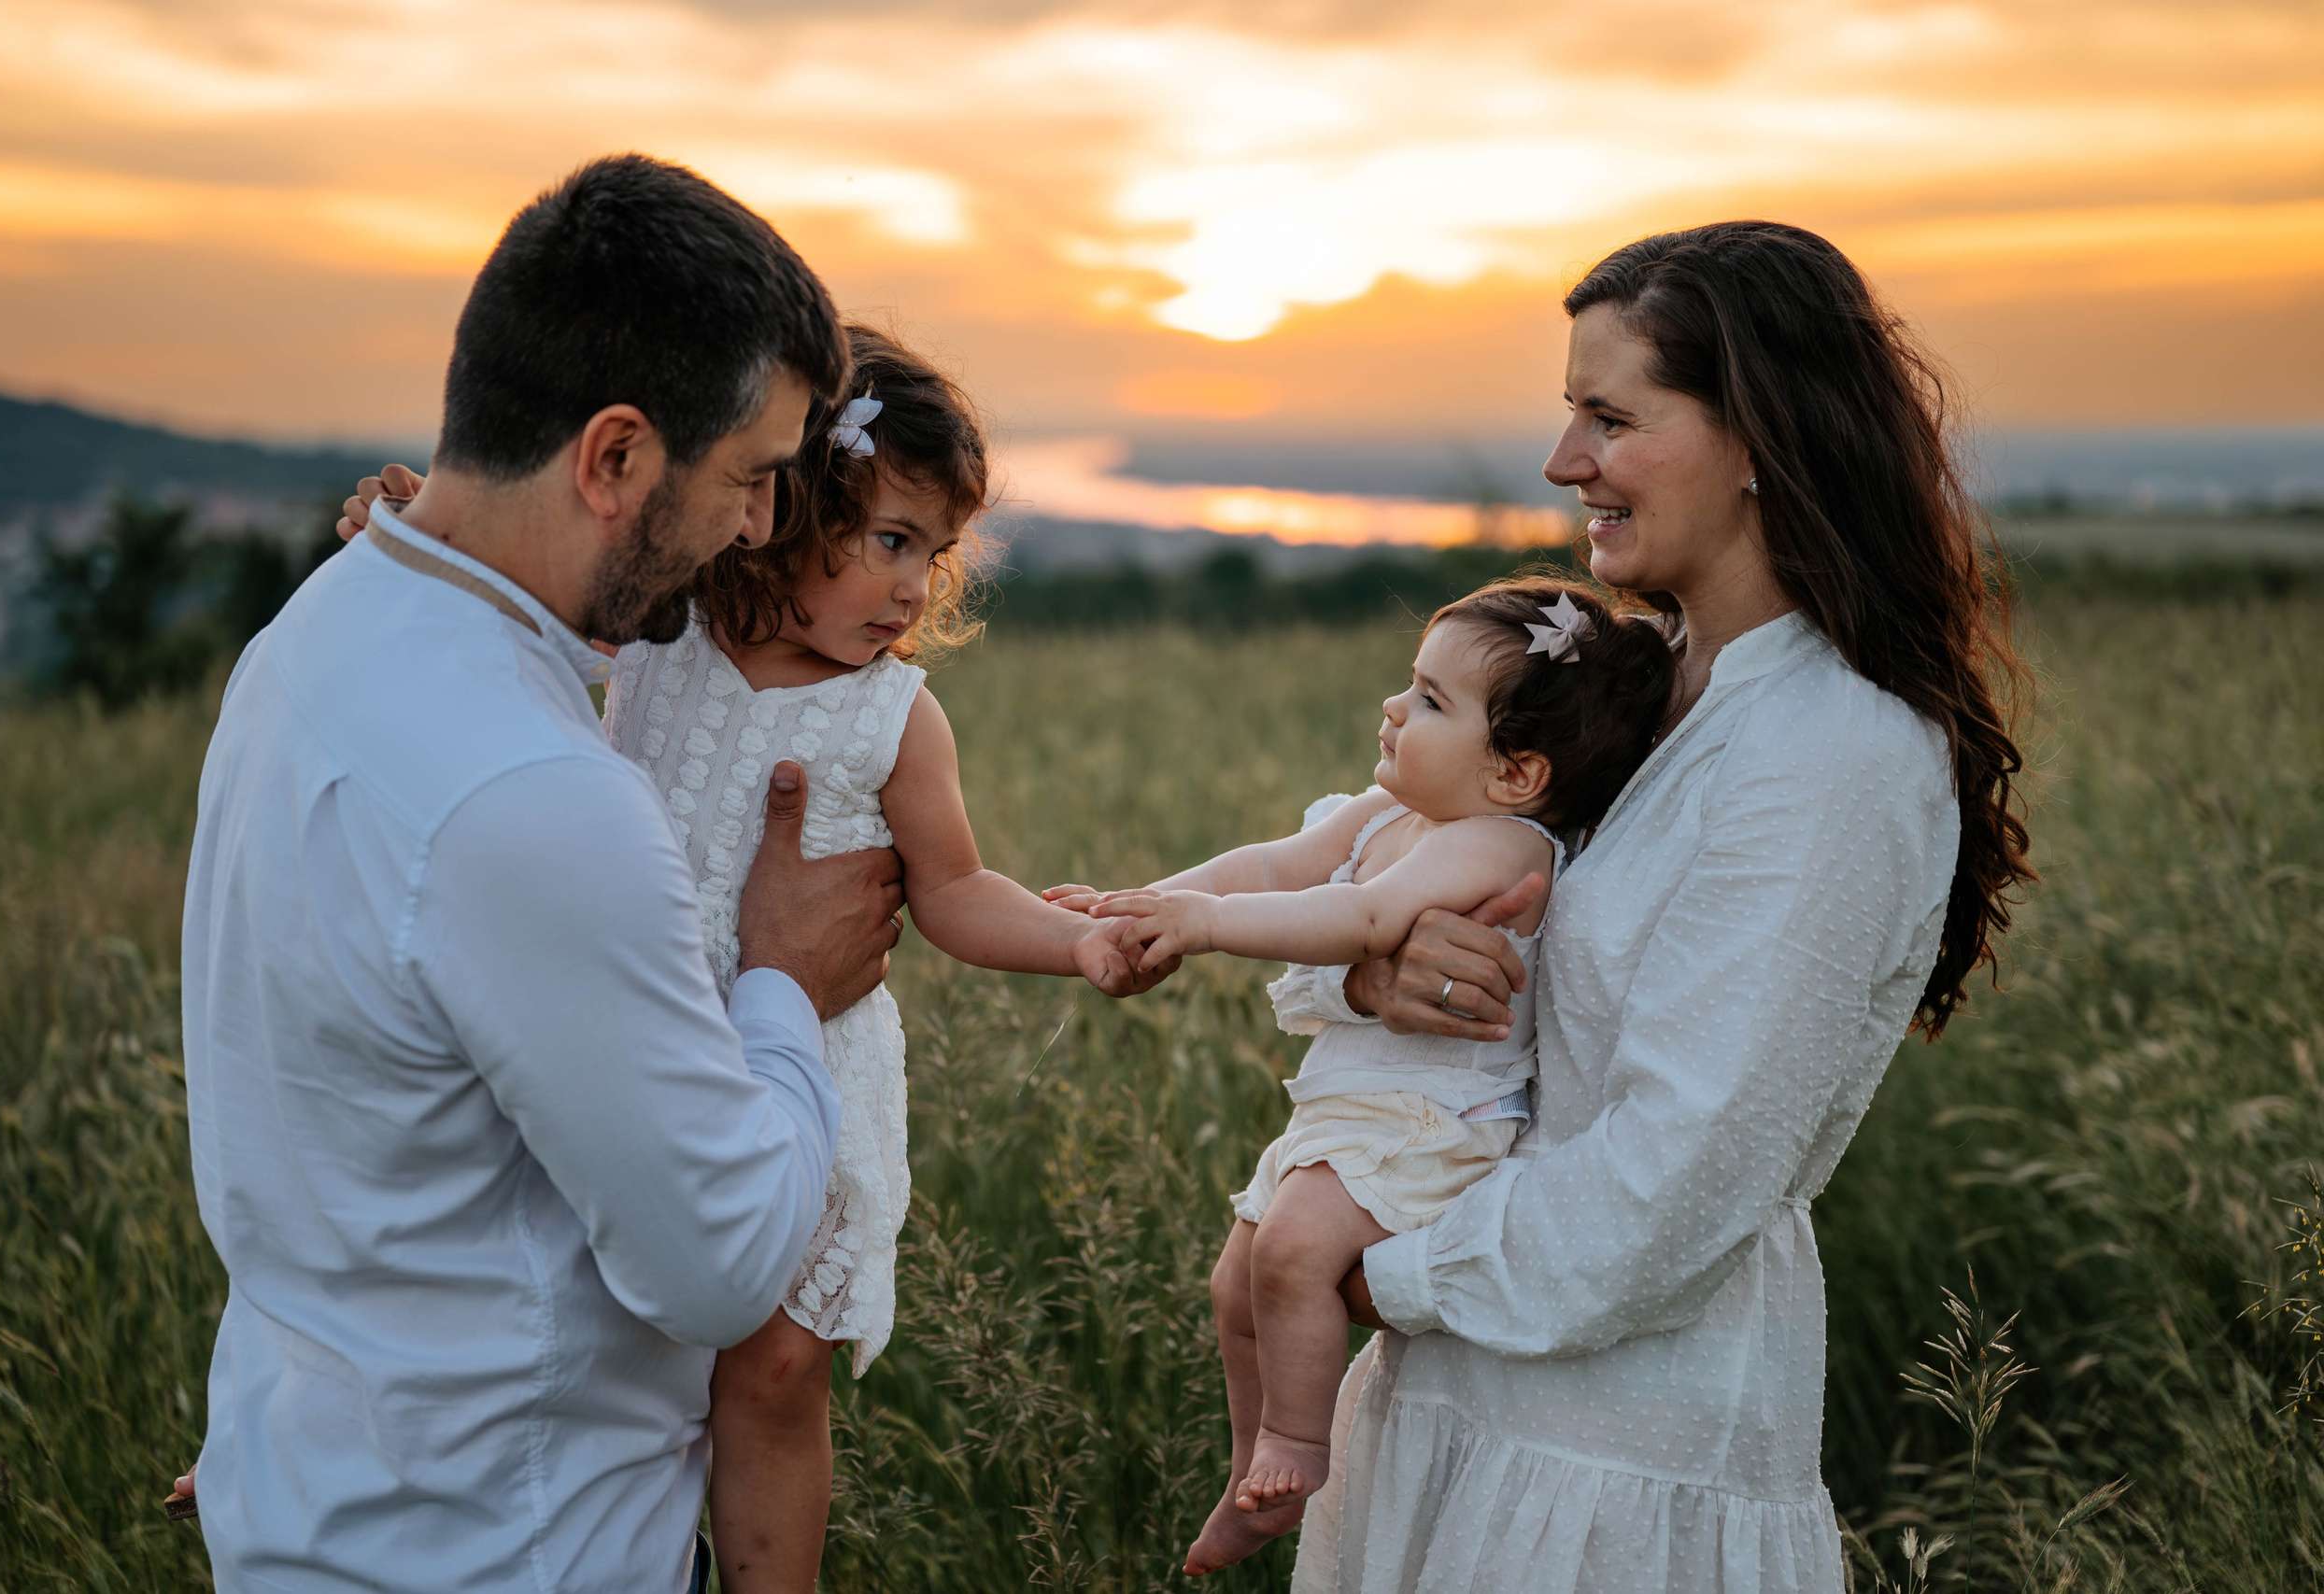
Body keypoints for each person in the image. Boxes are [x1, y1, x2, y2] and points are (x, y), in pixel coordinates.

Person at [337, 323, 1171, 1593]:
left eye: (934, 554)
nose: (912, 588)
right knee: (592, 1327)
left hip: (815, 1067)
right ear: (785, 508)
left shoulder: (895, 716)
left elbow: (955, 891)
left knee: (774, 1367)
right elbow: (506, 614)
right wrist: (413, 543)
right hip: (631, 1038)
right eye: (888, 540)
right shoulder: (655, 635)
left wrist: (1083, 942)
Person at [177, 154, 900, 1594]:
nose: (764, 525)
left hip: (313, 1503)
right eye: (750, 475)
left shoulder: (309, 639)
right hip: (510, 1545)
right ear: (614, 456)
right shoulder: (534, 791)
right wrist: (781, 984)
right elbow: (720, 1263)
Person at [1289, 221, 2033, 1592]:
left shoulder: (1833, 752)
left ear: (1756, 437)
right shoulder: (1628, 687)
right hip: (1454, 1406)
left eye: (1611, 418)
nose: (1563, 460)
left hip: (1614, 1467)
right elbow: (1398, 884)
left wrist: (1374, 1275)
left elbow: (1677, 1181)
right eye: (1570, 412)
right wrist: (1376, 973)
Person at [1057, 580, 1673, 1575]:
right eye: (1408, 683)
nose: (1394, 707)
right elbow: (1272, 867)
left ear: (1516, 772)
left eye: (1430, 701)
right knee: (1235, 1285)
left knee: (1291, 1253)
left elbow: (1366, 920)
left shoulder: (1498, 843)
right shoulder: (1387, 810)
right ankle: (1250, 1474)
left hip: (1433, 1118)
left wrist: (1205, 928)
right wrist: (1144, 902)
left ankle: (1297, 1447)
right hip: (1349, 1113)